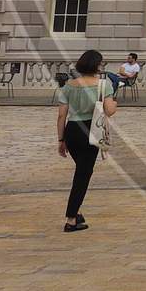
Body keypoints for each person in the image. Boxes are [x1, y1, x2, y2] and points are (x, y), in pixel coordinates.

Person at [55, 50, 116, 233]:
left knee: (81, 170)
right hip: (91, 130)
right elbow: (109, 110)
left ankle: (76, 211)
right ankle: (71, 219)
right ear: (96, 65)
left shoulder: (68, 86)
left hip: (72, 130)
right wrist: (115, 104)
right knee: (83, 175)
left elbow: (61, 116)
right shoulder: (104, 85)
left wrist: (61, 139)